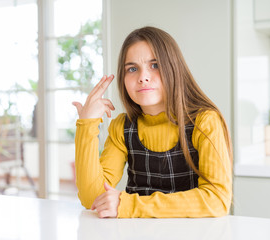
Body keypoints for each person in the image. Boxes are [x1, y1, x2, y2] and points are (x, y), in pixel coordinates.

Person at [72, 26, 232, 218]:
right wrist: (87, 124)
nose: (142, 77)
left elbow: (217, 200)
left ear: (174, 68)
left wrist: (129, 205)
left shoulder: (205, 121)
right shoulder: (122, 127)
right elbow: (93, 199)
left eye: (155, 65)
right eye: (132, 69)